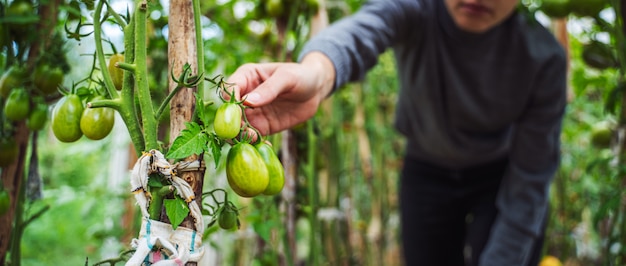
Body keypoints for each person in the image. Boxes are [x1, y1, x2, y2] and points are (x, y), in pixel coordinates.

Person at [227, 0, 567, 265]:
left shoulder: (543, 56)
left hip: (501, 178)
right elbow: (361, 32)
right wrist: (316, 75)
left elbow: (531, 178)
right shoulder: (416, 9)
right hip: (427, 169)